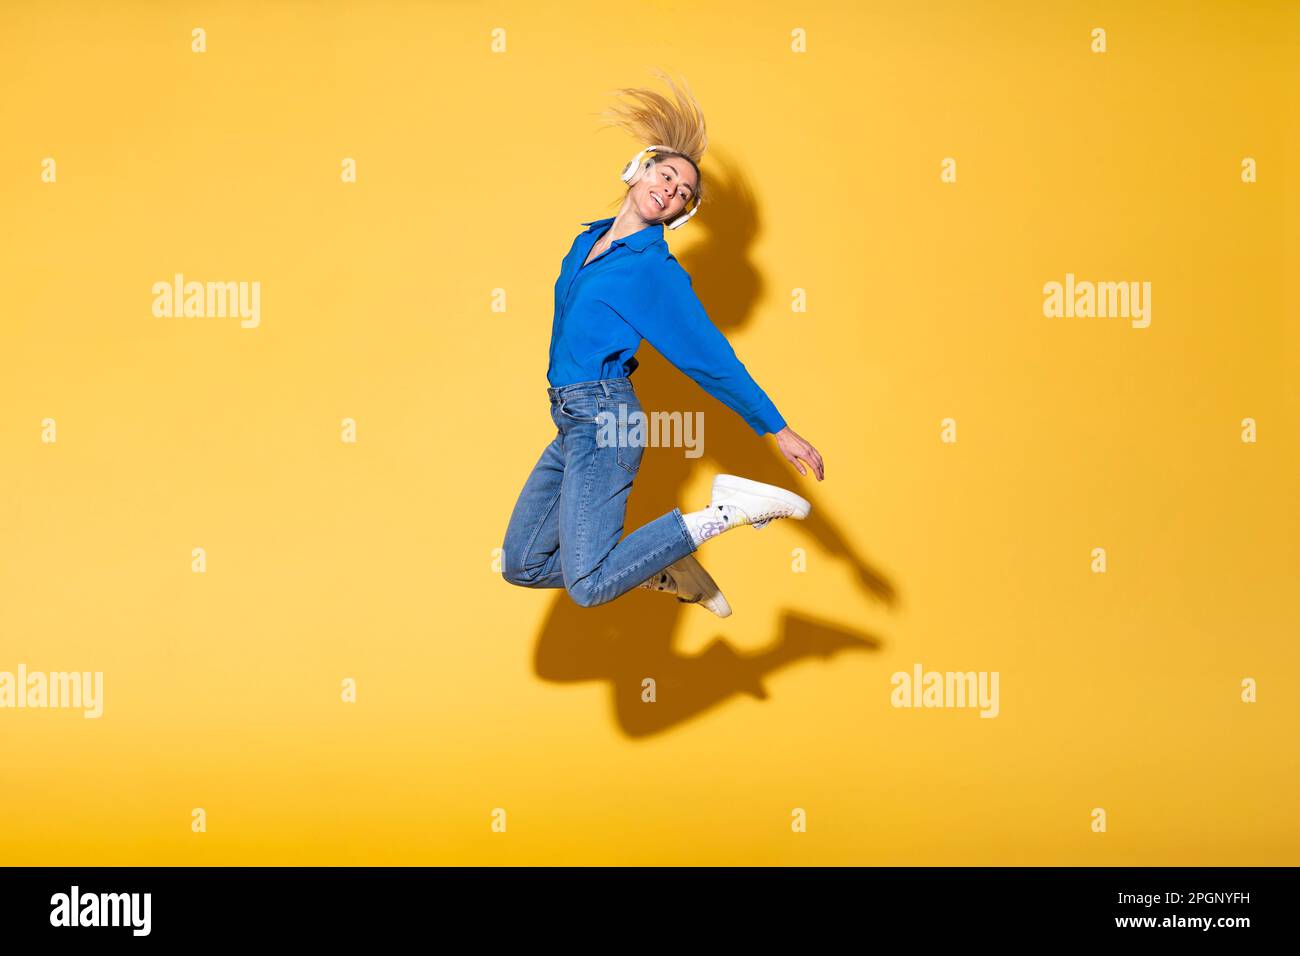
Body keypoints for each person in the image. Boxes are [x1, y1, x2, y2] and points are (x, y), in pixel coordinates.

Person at [502, 70, 824, 617]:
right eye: (667, 176)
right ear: (638, 169)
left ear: (682, 212)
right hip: (573, 419)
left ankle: (725, 512)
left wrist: (777, 428)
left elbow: (711, 358)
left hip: (607, 417)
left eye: (684, 194)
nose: (672, 191)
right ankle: (658, 560)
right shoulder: (586, 241)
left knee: (587, 586)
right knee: (522, 563)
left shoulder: (655, 271)